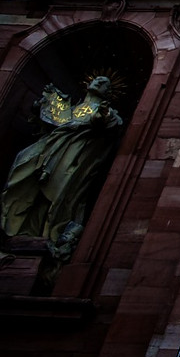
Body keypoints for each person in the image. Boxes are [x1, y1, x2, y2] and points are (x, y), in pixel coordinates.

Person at [2, 76, 124, 260]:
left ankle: (40, 234)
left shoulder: (106, 111)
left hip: (72, 159)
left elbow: (109, 125)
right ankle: (16, 228)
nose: (98, 83)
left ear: (109, 92)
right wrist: (42, 107)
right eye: (97, 80)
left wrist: (101, 117)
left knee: (52, 195)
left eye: (104, 83)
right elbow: (48, 122)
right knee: (24, 168)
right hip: (48, 150)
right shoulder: (71, 107)